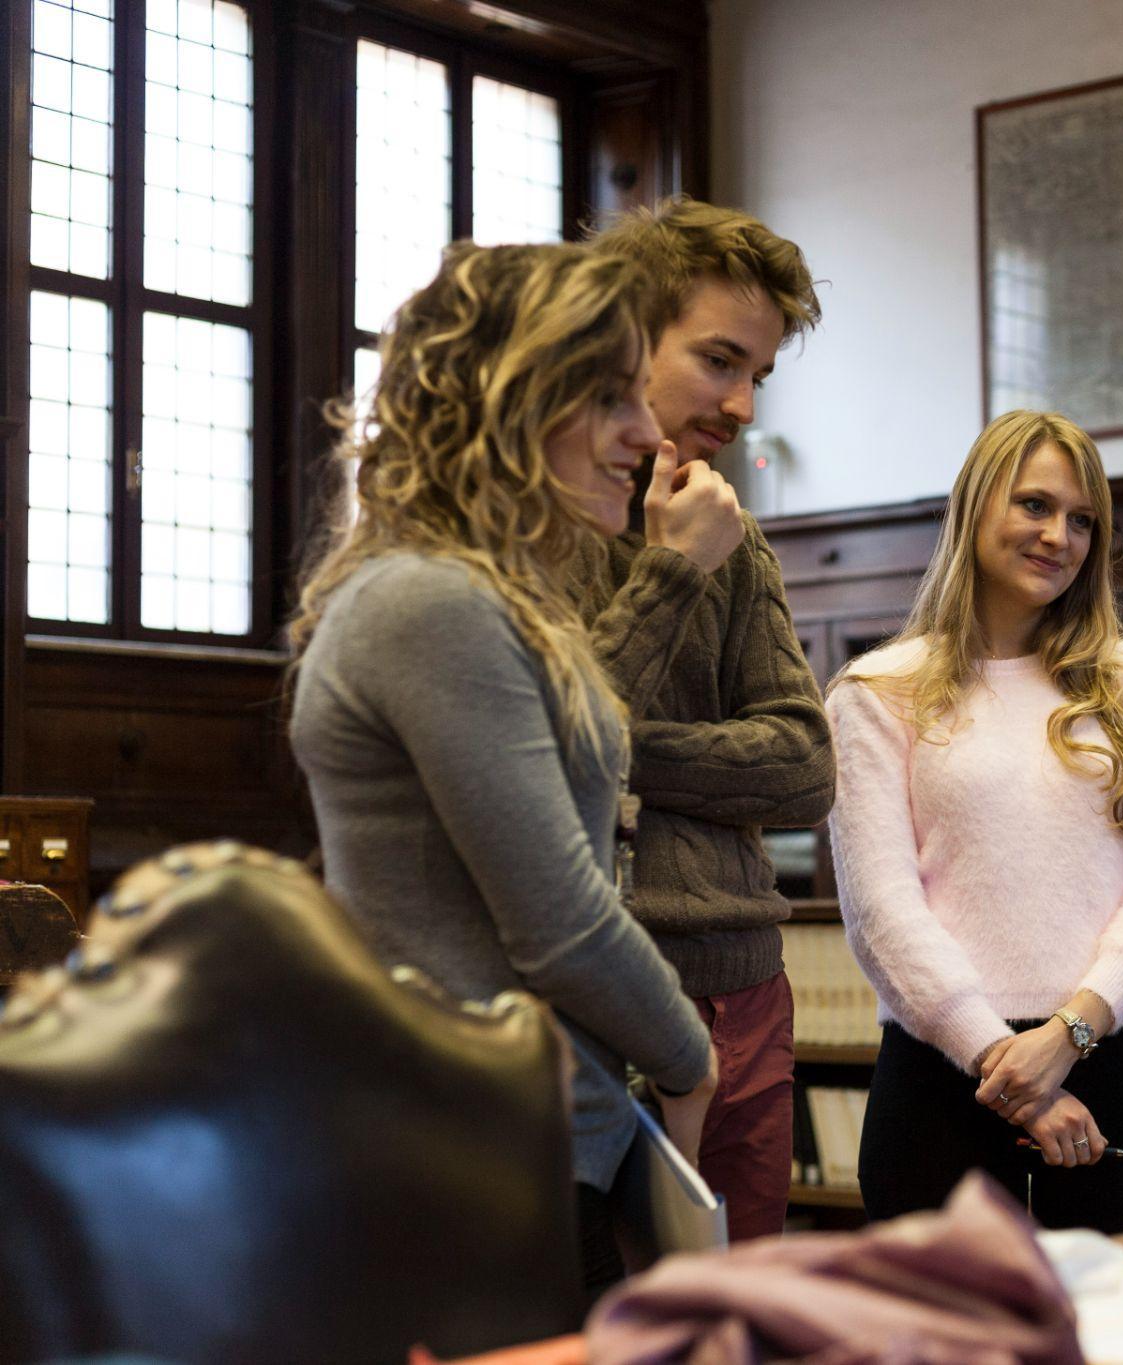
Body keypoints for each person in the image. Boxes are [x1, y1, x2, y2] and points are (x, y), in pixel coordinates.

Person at [290, 241, 714, 1296]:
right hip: (469, 1150)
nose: (648, 433)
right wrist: (687, 1054)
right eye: (608, 397)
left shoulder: (490, 600)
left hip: (531, 1135)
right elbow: (560, 921)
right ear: (509, 404)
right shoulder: (429, 602)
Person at [824, 410, 1123, 1232]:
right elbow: (883, 911)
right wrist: (1004, 1059)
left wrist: (1066, 1036)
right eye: (1034, 505)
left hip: (1117, 1067)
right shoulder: (876, 692)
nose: (1057, 535)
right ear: (974, 508)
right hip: (942, 1079)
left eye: (1080, 519)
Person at [569, 197, 832, 1243]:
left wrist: (634, 768)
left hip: (744, 991)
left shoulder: (737, 533)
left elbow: (804, 768)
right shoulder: (551, 523)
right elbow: (553, 741)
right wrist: (672, 573)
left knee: (739, 1316)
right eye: (719, 360)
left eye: (758, 376)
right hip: (594, 999)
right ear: (623, 334)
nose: (739, 404)